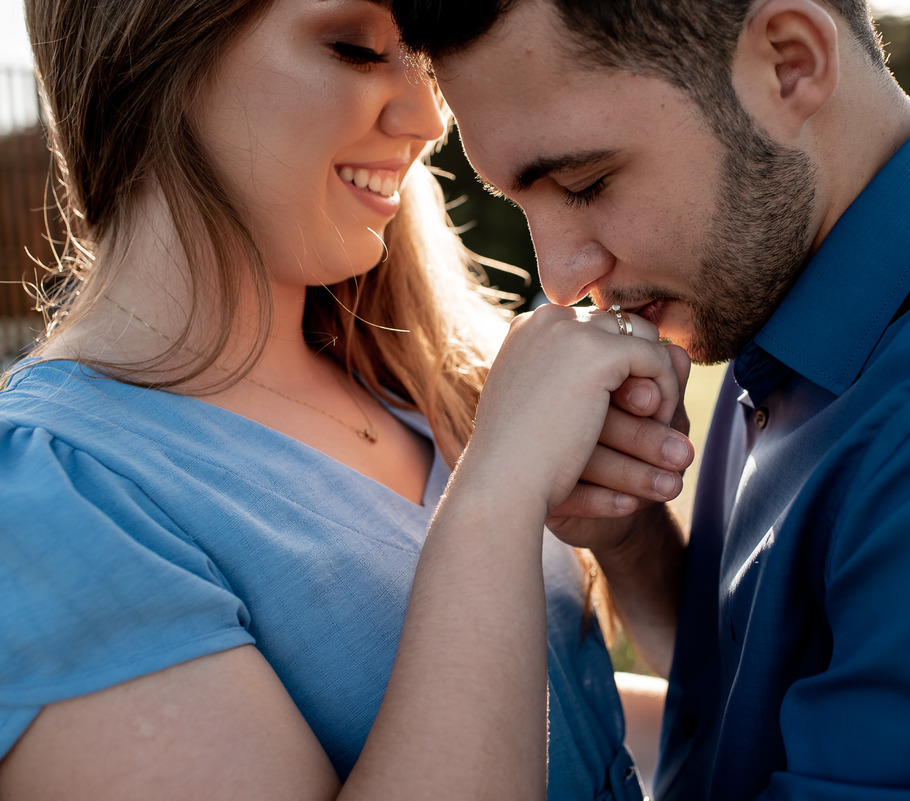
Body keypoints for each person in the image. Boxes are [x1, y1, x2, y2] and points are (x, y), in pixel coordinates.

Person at [393, 0, 910, 798]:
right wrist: (631, 536)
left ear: (790, 62)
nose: (563, 277)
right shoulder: (791, 304)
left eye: (587, 182)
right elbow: (753, 705)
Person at [0, 0, 696, 797]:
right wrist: (497, 498)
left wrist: (630, 528)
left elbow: (575, 728)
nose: (430, 116)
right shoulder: (44, 502)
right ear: (149, 50)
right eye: (356, 50)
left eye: (422, 59)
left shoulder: (415, 380)